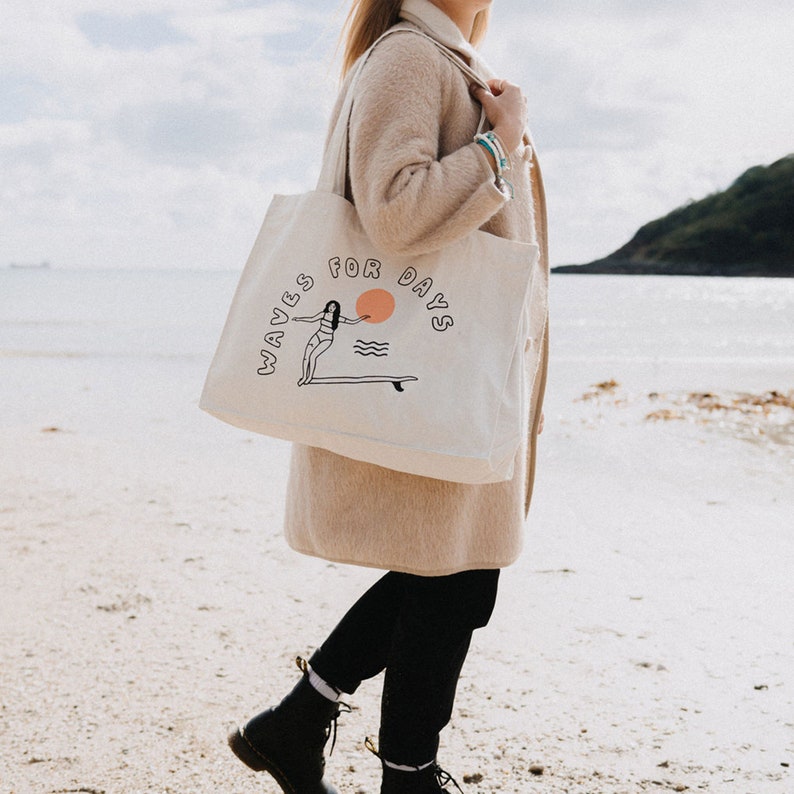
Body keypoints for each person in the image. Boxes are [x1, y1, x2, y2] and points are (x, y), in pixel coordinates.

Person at [227, 0, 549, 792]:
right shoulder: (411, 57)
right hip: (434, 378)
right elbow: (397, 210)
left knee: (452, 575)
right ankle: (402, 771)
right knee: (456, 580)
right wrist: (500, 142)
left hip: (448, 376)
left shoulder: (436, 58)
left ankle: (301, 724)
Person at [292, 300, 370, 386]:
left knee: (313, 356)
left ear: (336, 309)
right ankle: (304, 377)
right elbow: (311, 319)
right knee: (306, 357)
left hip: (327, 339)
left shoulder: (337, 318)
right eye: (330, 306)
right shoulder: (323, 314)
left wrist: (362, 318)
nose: (331, 308)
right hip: (318, 336)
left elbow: (352, 322)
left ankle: (309, 377)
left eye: (333, 307)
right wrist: (299, 319)